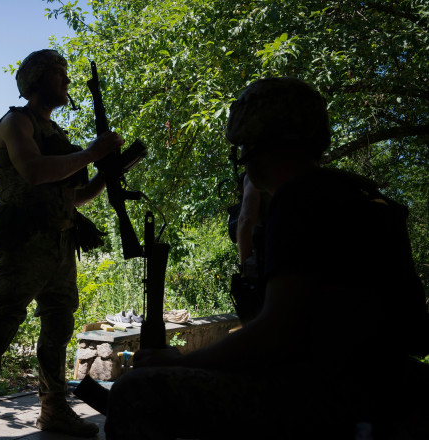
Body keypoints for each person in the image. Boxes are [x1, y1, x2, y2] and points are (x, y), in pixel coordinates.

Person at [104, 77, 429, 439]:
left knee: (136, 391)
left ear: (258, 145)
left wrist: (181, 359)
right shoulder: (358, 194)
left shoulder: (298, 199)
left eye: (243, 148)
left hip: (336, 393)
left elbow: (276, 334)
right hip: (386, 379)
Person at [0, 49, 124, 437]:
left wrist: (109, 171)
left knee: (58, 329)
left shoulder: (56, 134)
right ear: (36, 80)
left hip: (60, 242)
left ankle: (53, 409)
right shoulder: (15, 123)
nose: (67, 81)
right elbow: (35, 172)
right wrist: (92, 152)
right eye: (59, 73)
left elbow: (74, 196)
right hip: (26, 242)